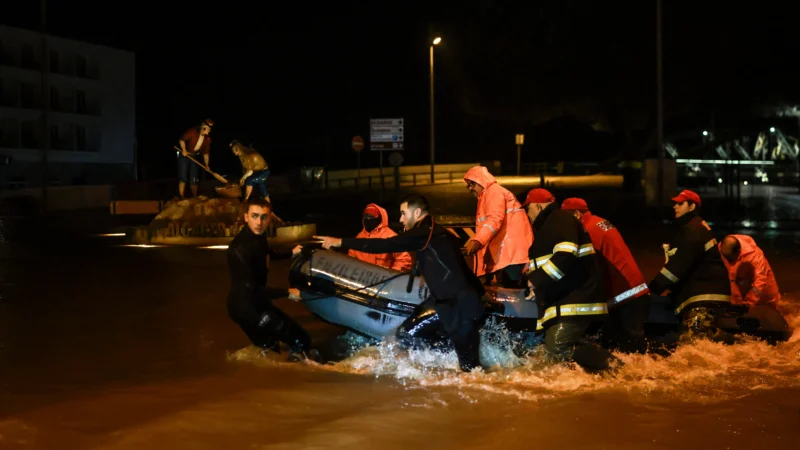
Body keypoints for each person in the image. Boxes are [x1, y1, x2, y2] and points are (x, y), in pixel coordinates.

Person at [315, 194, 487, 372]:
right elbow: (462, 269)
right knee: (411, 337)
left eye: (404, 213)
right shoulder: (441, 233)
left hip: (457, 306)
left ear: (417, 212)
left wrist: (340, 242)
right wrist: (482, 293)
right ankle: (431, 375)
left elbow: (385, 245)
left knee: (471, 370)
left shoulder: (424, 233)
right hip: (449, 302)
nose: (401, 219)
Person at [521, 189, 613, 372]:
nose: (527, 214)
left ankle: (618, 370)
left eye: (528, 209)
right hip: (567, 300)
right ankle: (601, 379)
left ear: (538, 206)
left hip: (576, 300)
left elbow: (566, 254)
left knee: (558, 345)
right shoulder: (552, 225)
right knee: (555, 351)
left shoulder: (559, 220)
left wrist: (537, 280)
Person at [226, 197, 315, 361]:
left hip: (253, 303)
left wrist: (291, 253)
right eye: (254, 216)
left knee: (270, 349)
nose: (259, 222)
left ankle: (275, 376)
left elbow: (266, 254)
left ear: (269, 218)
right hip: (247, 308)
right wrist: (288, 292)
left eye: (263, 217)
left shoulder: (258, 236)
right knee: (302, 341)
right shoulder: (239, 250)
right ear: (246, 217)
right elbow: (251, 288)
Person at [561, 197, 651, 353]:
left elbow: (586, 269)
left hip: (626, 296)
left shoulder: (587, 231)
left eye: (564, 219)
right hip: (633, 291)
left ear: (576, 214)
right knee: (627, 350)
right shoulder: (598, 223)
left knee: (628, 350)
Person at [647, 190, 732, 341]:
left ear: (692, 207)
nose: (675, 207)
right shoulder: (696, 227)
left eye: (680, 203)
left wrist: (653, 288)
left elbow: (677, 267)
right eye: (674, 203)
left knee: (694, 344)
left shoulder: (693, 231)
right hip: (705, 295)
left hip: (702, 298)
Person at [463, 166, 533, 287]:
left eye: (471, 184)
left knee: (514, 291)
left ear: (480, 181)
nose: (469, 188)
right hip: (510, 254)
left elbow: (494, 220)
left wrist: (477, 241)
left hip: (511, 255)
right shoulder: (489, 195)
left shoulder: (494, 192)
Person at [718, 234, 781, 309]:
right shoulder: (721, 250)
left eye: (730, 259)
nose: (728, 261)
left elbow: (760, 280)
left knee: (769, 306)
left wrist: (749, 302)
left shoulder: (755, 256)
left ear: (738, 251)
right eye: (726, 257)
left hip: (763, 289)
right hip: (740, 284)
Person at [348, 203, 412, 272]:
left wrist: (390, 275)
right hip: (362, 279)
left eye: (372, 217)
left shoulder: (390, 236)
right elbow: (350, 259)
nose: (369, 219)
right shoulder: (359, 237)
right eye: (366, 216)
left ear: (379, 218)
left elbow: (404, 259)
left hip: (382, 280)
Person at [177, 119, 214, 198]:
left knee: (194, 179)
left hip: (194, 157)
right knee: (183, 177)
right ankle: (181, 196)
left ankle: (194, 197)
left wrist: (207, 165)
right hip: (185, 155)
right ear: (203, 128)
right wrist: (184, 149)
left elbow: (206, 153)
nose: (209, 131)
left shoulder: (207, 139)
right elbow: (181, 140)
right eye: (208, 129)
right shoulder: (192, 131)